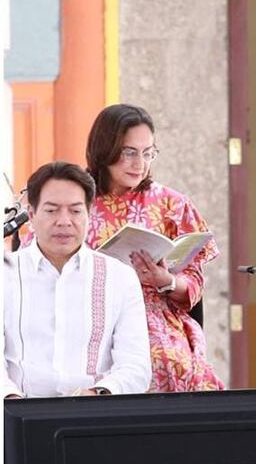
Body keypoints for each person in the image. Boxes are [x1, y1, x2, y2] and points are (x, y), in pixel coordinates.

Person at [84, 104, 223, 392]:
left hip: (152, 317)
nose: (140, 164)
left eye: (148, 153)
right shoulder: (77, 203)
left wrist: (166, 280)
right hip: (88, 313)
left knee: (164, 360)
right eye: (129, 152)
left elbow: (194, 283)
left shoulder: (172, 204)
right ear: (105, 148)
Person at [3, 161, 151, 398]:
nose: (64, 221)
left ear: (89, 213)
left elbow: (135, 366)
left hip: (93, 412)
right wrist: (12, 402)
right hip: (14, 412)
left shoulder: (120, 277)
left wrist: (97, 394)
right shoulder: (5, 274)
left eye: (75, 211)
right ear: (31, 214)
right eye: (51, 210)